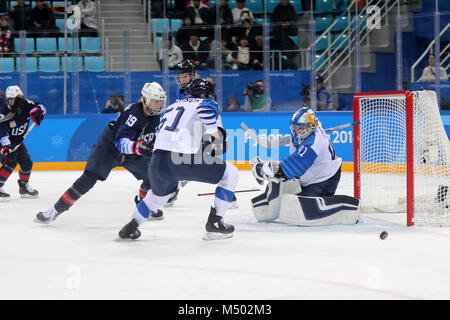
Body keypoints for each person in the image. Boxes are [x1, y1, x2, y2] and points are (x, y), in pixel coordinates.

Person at [118, 78, 239, 241]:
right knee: (230, 173)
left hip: (157, 160)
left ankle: (131, 226)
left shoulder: (172, 106)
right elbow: (209, 123)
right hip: (180, 158)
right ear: (204, 94)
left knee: (158, 196)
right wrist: (218, 138)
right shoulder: (207, 103)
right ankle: (215, 223)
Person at [34, 83, 167, 223]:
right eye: (155, 101)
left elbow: (152, 140)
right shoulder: (133, 114)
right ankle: (54, 211)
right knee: (88, 179)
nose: (159, 105)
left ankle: (144, 205)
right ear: (145, 99)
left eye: (160, 101)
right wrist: (139, 148)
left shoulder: (155, 116)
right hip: (109, 146)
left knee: (153, 176)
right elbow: (120, 143)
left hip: (133, 150)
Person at [249, 107, 360, 226]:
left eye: (300, 128)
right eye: (295, 127)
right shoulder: (307, 130)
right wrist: (269, 170)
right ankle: (269, 205)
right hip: (308, 175)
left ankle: (346, 206)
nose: (296, 130)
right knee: (278, 185)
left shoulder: (313, 144)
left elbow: (291, 168)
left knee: (302, 210)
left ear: (311, 127)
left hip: (323, 180)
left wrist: (265, 168)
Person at [0, 85, 46, 201]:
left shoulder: (26, 104)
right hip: (5, 140)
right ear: (9, 99)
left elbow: (41, 106)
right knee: (11, 161)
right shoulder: (3, 111)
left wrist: (38, 112)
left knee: (27, 163)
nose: (18, 101)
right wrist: (5, 146)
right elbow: (2, 131)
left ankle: (24, 186)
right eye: (15, 99)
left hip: (18, 141)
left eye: (19, 98)